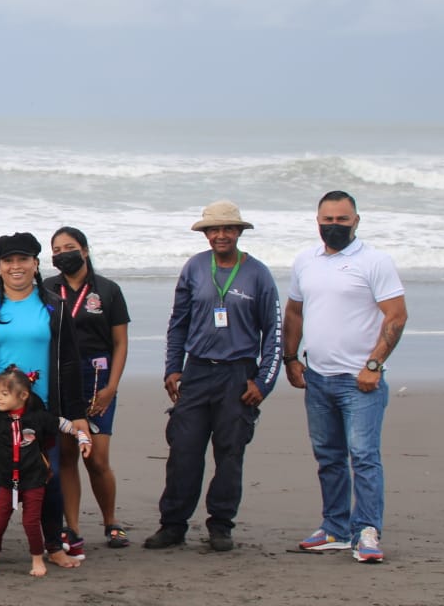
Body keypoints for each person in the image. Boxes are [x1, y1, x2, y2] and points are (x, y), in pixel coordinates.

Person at [146, 202, 281, 552]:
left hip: (238, 375)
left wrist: (263, 382)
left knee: (229, 454)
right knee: (183, 452)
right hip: (197, 371)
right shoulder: (194, 268)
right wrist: (173, 368)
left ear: (239, 232)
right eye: (213, 230)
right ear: (205, 234)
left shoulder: (258, 274)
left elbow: (274, 334)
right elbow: (178, 323)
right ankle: (172, 525)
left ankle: (221, 526)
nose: (221, 235)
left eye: (228, 229)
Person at [283, 191, 407, 563]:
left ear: (356, 221)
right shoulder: (306, 261)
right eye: (327, 220)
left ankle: (366, 530)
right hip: (317, 378)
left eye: (341, 220)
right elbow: (294, 313)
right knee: (329, 456)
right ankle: (335, 528)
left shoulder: (374, 261)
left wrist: (373, 365)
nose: (333, 226)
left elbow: (396, 316)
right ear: (317, 220)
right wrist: (291, 358)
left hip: (360, 382)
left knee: (364, 456)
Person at [0, 233, 91, 571]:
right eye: (8, 261)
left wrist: (77, 415)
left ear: (35, 264)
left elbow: (71, 362)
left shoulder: (54, 306)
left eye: (23, 260)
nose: (15, 267)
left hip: (41, 412)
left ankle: (54, 547)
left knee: (50, 478)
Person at [45, 227, 132, 552]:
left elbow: (121, 343)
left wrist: (112, 387)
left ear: (84, 250)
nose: (62, 253)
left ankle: (111, 522)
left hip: (97, 379)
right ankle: (73, 527)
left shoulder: (108, 290)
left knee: (96, 458)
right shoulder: (47, 289)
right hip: (61, 379)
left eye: (69, 246)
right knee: (67, 455)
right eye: (56, 249)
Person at [0, 368, 90, 577]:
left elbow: (62, 424)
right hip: (7, 481)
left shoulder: (38, 417)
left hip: (33, 480)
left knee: (30, 521)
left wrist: (82, 437)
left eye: (4, 394)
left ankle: (37, 559)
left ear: (23, 396)